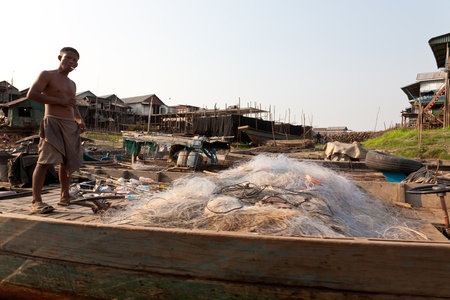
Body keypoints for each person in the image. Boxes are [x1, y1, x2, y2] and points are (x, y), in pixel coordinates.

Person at [27, 47, 86, 214]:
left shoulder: (72, 84)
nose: (72, 62)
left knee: (67, 162)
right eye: (69, 58)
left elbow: (72, 105)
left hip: (70, 125)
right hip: (52, 122)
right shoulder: (47, 75)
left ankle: (65, 196)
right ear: (60, 57)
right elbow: (32, 94)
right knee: (45, 161)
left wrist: (79, 121)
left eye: (75, 60)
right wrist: (59, 101)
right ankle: (36, 201)